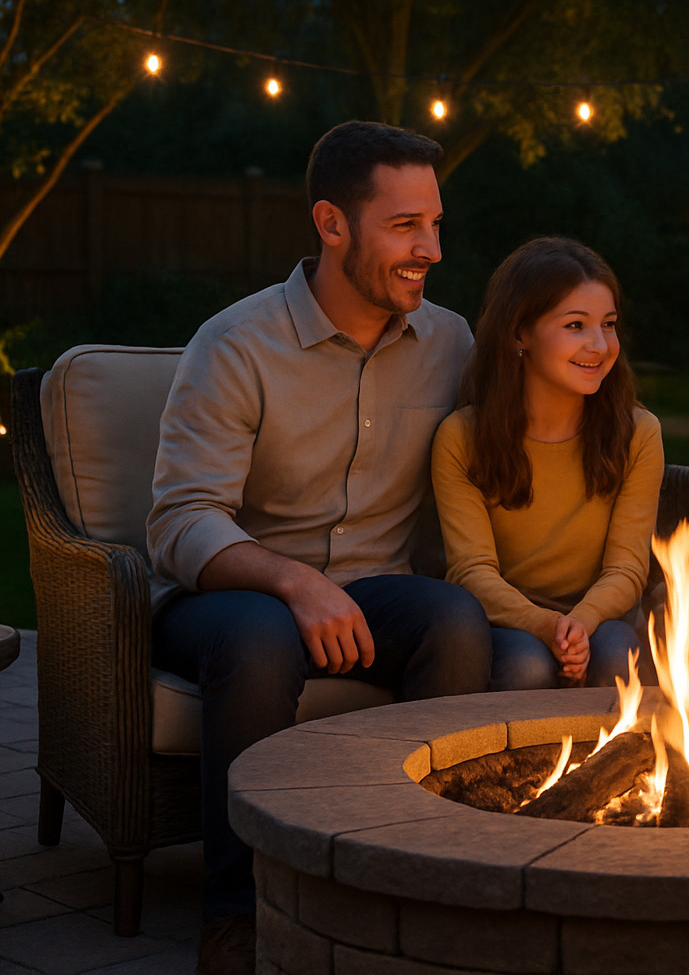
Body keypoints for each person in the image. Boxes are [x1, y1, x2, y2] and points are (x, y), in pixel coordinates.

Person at [147, 121, 491, 975]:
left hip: (377, 587)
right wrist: (293, 584)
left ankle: (414, 878)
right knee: (259, 640)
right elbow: (180, 520)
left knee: (453, 617)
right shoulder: (236, 345)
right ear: (332, 223)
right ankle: (241, 910)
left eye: (437, 225)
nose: (431, 249)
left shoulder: (450, 344)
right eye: (406, 226)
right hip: (232, 594)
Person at [432, 237, 663, 690]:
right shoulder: (462, 437)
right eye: (575, 325)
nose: (599, 344)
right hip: (509, 618)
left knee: (619, 653)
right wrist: (544, 626)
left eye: (609, 324)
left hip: (600, 613)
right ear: (520, 333)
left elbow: (627, 569)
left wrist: (579, 621)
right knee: (527, 666)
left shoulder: (638, 432)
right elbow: (471, 570)